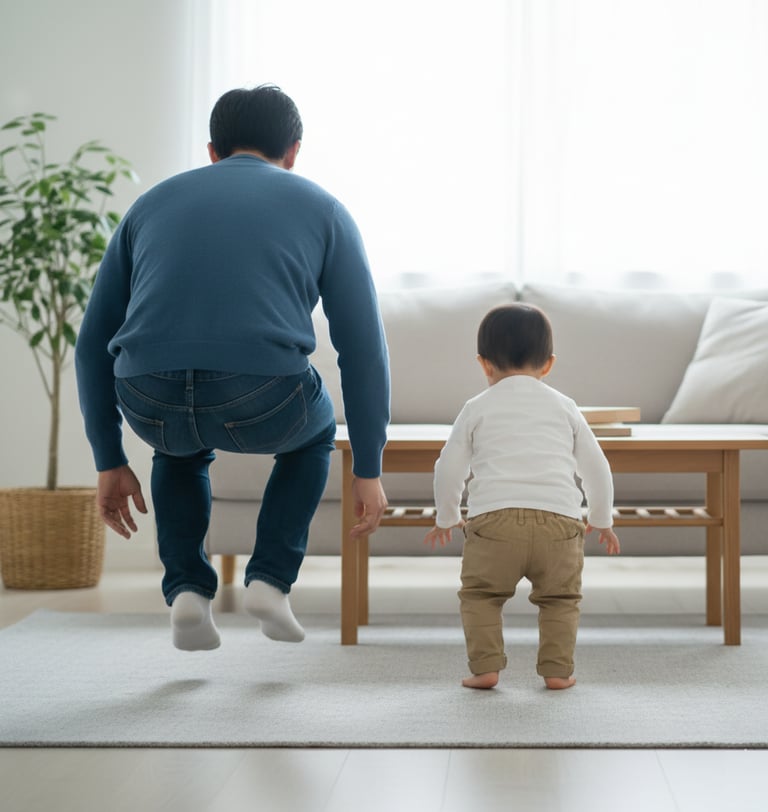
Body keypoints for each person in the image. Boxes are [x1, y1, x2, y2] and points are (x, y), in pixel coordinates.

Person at [75, 85, 390, 651]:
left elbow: (92, 340)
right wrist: (367, 467)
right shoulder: (323, 207)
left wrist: (109, 458)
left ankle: (188, 594)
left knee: (176, 452)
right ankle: (270, 579)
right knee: (315, 435)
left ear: (212, 152)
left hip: (147, 397)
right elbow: (363, 349)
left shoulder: (149, 205)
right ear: (293, 152)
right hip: (264, 395)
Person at [424, 303, 620, 690]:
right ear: (548, 364)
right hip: (561, 525)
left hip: (493, 525)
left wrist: (447, 516)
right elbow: (597, 467)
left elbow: (448, 467)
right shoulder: (565, 408)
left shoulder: (476, 408)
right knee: (561, 600)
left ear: (484, 364)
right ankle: (557, 671)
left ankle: (485, 668)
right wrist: (601, 517)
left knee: (480, 596)